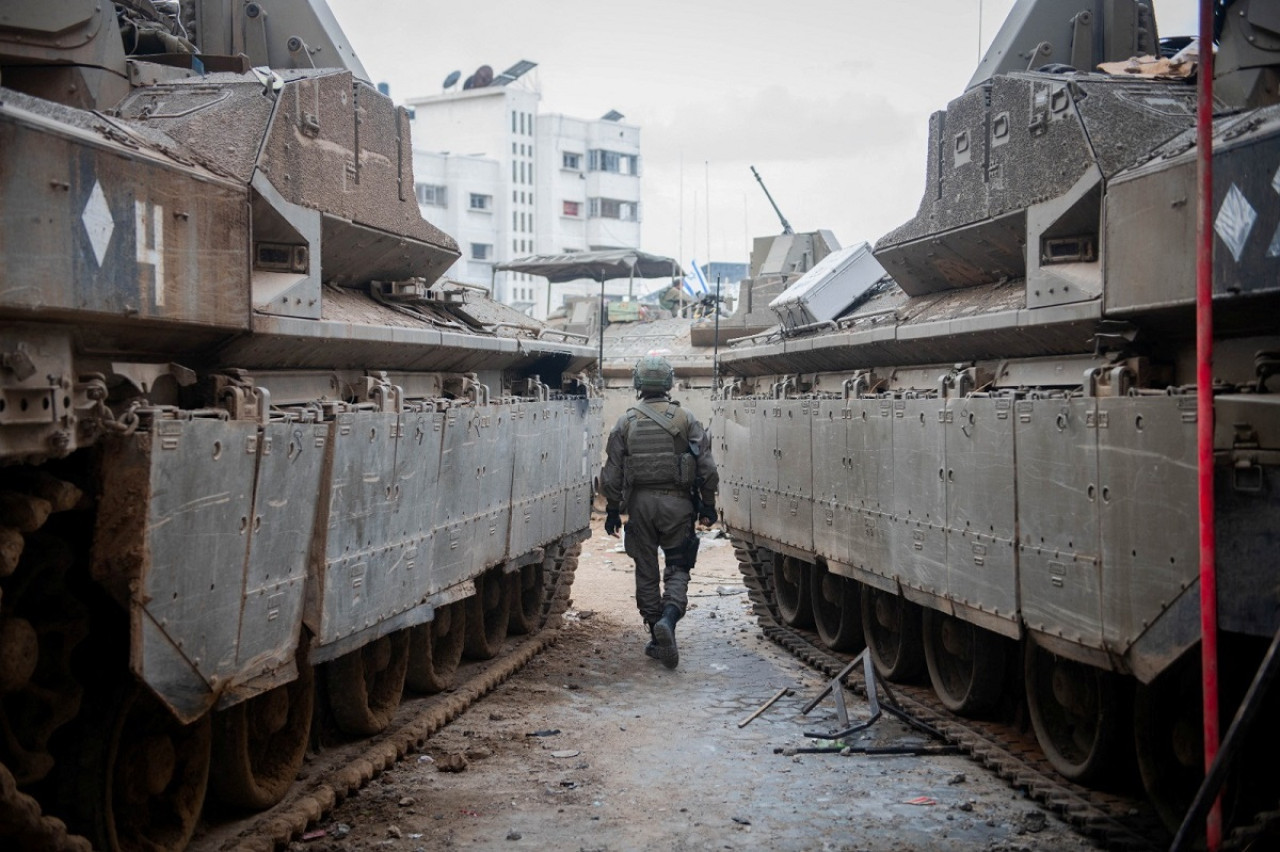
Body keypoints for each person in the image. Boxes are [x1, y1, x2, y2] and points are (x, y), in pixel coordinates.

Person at [600, 355, 718, 669]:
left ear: (638, 385)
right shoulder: (686, 419)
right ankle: (669, 618)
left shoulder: (626, 422)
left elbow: (611, 474)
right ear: (668, 384)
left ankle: (655, 632)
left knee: (646, 569)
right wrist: (708, 506)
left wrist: (612, 511)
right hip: (678, 504)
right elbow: (706, 469)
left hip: (640, 505)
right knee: (679, 565)